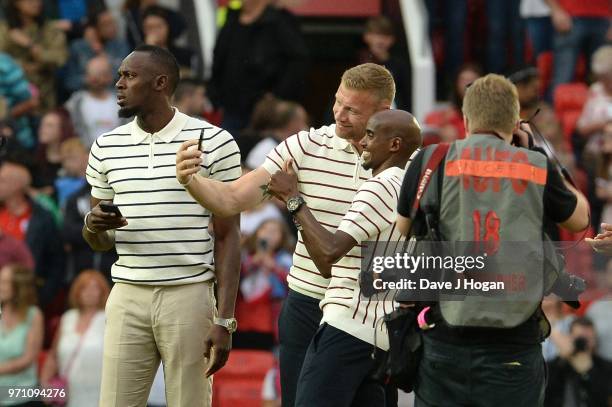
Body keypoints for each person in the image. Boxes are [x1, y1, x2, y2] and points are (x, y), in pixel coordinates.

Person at [176, 62, 395, 406]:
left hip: (370, 314)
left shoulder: (406, 162)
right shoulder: (304, 147)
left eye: (353, 109)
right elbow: (232, 198)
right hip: (307, 302)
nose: (339, 113)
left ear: (383, 111)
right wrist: (191, 179)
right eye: (338, 102)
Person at [396, 74, 590, 406]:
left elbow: (403, 229)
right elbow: (581, 217)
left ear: (466, 119)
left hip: (443, 341)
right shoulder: (535, 166)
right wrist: (535, 153)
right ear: (515, 122)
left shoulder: (431, 160)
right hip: (514, 347)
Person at [83, 45, 241, 407]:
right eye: (120, 75)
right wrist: (93, 225)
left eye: (129, 76)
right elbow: (100, 241)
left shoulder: (215, 141)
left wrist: (225, 320)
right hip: (126, 293)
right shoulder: (106, 146)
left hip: (189, 295)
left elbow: (230, 236)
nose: (118, 83)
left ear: (160, 82)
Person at [266, 109, 422, 406]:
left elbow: (327, 256)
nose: (363, 142)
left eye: (372, 135)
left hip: (348, 326)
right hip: (380, 336)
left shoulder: (379, 186)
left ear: (395, 145)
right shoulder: (408, 189)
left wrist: (293, 199)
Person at [208, 0, 309, 136]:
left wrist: (277, 95)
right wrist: (214, 93)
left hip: (266, 112)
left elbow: (298, 61)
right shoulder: (231, 18)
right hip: (231, 107)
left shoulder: (280, 21)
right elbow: (218, 58)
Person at [0, 153, 65, 308]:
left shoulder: (42, 218)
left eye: (2, 181)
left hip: (27, 297)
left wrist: (40, 299)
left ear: (16, 186)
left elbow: (56, 262)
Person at [40, 270, 109, 407]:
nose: (89, 292)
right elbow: (53, 356)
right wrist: (44, 384)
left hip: (100, 394)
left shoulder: (108, 318)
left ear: (102, 292)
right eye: (84, 288)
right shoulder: (68, 318)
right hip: (69, 394)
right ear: (77, 292)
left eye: (95, 287)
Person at [0, 0, 68, 110]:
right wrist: (22, 67)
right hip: (11, 99)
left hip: (44, 96)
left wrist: (31, 45)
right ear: (16, 3)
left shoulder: (49, 29)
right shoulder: (4, 30)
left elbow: (60, 59)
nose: (37, 2)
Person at [0, 264, 44, 407]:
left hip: (24, 396)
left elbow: (28, 358)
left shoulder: (34, 315)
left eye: (5, 282)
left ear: (19, 286)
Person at [544, 317, 612, 407]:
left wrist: (588, 371)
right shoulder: (554, 366)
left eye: (588, 339)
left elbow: (604, 398)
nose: (583, 344)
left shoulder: (606, 367)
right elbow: (547, 394)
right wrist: (564, 358)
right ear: (570, 338)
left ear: (595, 339)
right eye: (579, 339)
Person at [545, 0, 610, 89]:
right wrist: (556, 10)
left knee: (604, 76)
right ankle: (557, 101)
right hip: (569, 16)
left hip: (604, 18)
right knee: (564, 75)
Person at [63, 7, 130, 94]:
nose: (111, 28)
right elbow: (69, 82)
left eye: (113, 23)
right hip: (85, 96)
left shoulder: (121, 46)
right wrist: (87, 80)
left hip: (114, 96)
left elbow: (126, 77)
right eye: (105, 24)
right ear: (95, 28)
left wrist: (103, 56)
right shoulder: (78, 47)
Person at [65, 55, 123, 147]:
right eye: (92, 74)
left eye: (101, 74)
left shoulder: (123, 102)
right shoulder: (75, 103)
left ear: (110, 76)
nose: (96, 79)